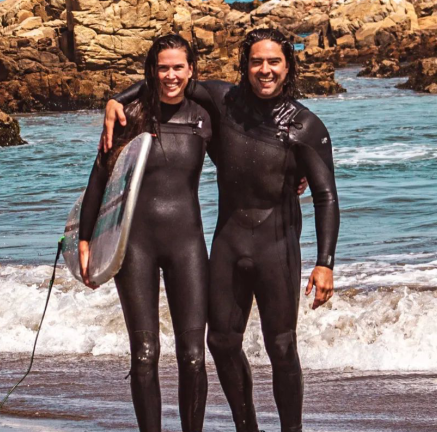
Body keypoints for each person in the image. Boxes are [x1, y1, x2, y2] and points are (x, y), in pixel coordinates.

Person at [103, 28, 340, 432]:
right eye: (256, 61)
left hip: (277, 247)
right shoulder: (223, 101)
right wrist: (117, 100)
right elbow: (168, 78)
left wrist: (325, 263)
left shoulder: (305, 126)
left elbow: (326, 196)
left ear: (288, 67)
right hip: (229, 244)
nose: (265, 70)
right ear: (245, 66)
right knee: (221, 343)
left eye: (274, 62)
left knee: (282, 347)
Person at [79, 34, 211, 432]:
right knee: (144, 353)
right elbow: (99, 179)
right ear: (152, 71)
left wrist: (293, 178)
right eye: (162, 68)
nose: (171, 76)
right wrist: (85, 240)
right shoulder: (129, 117)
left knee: (193, 356)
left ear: (191, 70)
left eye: (178, 67)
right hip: (135, 245)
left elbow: (242, 161)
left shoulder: (205, 117)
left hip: (187, 244)